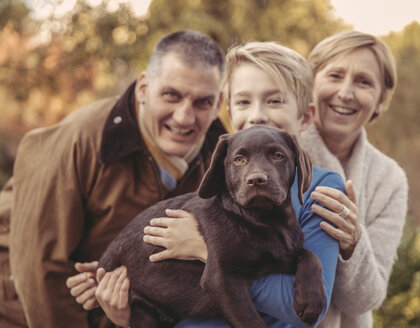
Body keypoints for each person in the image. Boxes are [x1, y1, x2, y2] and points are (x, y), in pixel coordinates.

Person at [70, 41, 347, 327]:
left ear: (306, 116)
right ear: (226, 110)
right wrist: (113, 291)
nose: (257, 114)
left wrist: (206, 252)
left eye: (275, 100)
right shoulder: (218, 186)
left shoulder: (321, 191)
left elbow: (306, 309)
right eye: (243, 101)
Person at [0, 29, 227, 328]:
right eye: (171, 95)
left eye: (202, 102)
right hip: (23, 301)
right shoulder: (81, 140)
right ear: (144, 88)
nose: (184, 117)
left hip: (116, 310)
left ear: (219, 101)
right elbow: (40, 269)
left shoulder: (225, 162)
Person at [297, 30, 409, 327]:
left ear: (381, 100)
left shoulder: (389, 180)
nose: (346, 93)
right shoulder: (277, 152)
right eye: (335, 75)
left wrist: (352, 243)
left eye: (363, 82)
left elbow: (365, 300)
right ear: (310, 82)